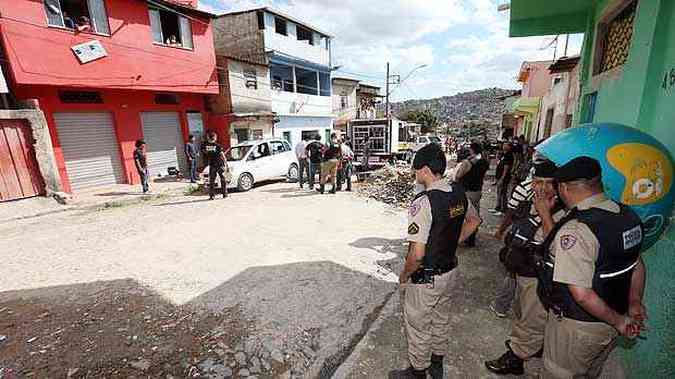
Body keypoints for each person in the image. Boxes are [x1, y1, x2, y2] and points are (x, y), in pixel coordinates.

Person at [537, 156, 646, 378]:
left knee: (559, 373)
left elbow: (582, 294)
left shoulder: (577, 230)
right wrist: (634, 303)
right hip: (612, 317)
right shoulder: (627, 215)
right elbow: (637, 264)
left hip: (579, 325)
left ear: (565, 188)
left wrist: (621, 322)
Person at [391, 143, 481, 379]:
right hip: (449, 271)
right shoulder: (457, 191)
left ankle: (418, 372)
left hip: (427, 277)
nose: (415, 174)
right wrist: (452, 243)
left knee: (418, 326)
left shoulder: (424, 202)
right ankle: (436, 363)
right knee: (441, 319)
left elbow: (417, 254)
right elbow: (474, 221)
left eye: (416, 170)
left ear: (425, 171)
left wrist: (404, 275)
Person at [485, 159, 563, 375]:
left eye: (549, 183)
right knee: (523, 314)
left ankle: (516, 358)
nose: (542, 188)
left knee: (530, 320)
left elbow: (557, 246)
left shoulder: (561, 211)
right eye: (538, 182)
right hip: (523, 271)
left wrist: (544, 213)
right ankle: (531, 349)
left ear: (558, 185)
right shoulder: (532, 201)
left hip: (540, 278)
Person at [454, 142, 489, 247]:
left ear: (472, 150)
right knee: (475, 213)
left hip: (466, 191)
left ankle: (462, 237)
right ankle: (471, 238)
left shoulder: (468, 162)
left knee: (461, 214)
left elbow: (458, 176)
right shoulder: (484, 162)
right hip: (477, 191)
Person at [203, 131, 229, 200]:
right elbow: (222, 155)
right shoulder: (218, 145)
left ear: (209, 138)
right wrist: (226, 163)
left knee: (212, 180)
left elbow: (205, 153)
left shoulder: (206, 146)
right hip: (220, 164)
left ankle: (212, 196)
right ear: (214, 137)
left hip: (212, 165)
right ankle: (224, 194)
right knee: (223, 179)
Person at [491, 142, 514, 215]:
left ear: (509, 147)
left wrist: (502, 178)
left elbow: (506, 168)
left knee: (503, 193)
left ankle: (503, 209)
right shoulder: (504, 154)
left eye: (505, 145)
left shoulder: (509, 155)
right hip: (499, 176)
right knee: (499, 192)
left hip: (504, 177)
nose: (503, 146)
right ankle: (498, 207)